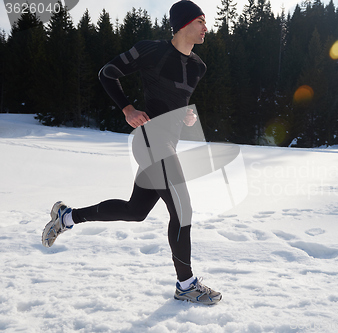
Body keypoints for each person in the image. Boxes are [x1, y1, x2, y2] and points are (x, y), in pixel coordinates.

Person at [41, 0, 221, 305]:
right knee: (182, 208)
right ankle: (186, 284)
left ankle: (67, 217)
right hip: (150, 140)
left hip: (167, 144)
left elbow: (175, 100)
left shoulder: (198, 67)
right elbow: (106, 73)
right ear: (182, 24)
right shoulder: (151, 50)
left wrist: (187, 115)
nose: (206, 27)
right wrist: (127, 108)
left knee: (135, 211)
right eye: (200, 21)